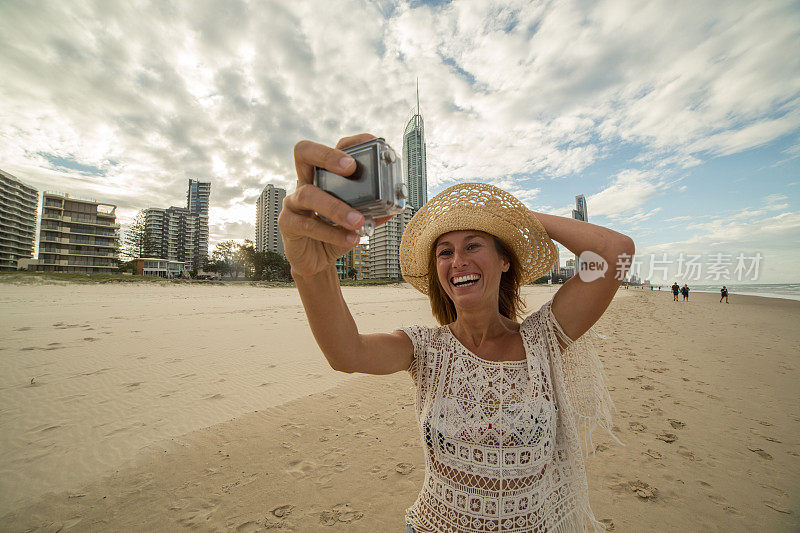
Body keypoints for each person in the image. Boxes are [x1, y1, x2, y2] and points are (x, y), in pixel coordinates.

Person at [280, 133, 635, 533]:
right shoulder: (425, 349)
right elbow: (347, 354)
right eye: (445, 251)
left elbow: (615, 251)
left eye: (474, 245)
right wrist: (311, 271)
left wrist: (512, 218)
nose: (458, 260)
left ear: (504, 260)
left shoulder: (543, 339)